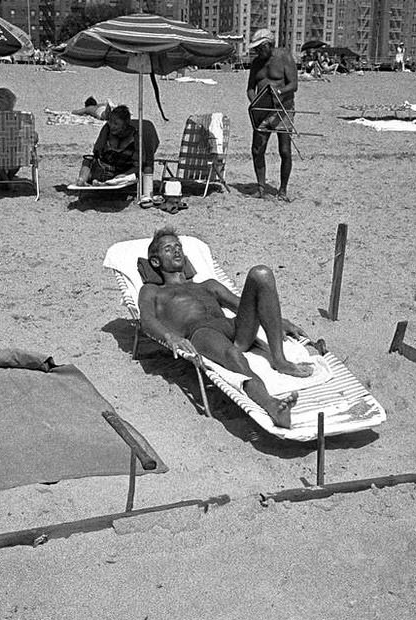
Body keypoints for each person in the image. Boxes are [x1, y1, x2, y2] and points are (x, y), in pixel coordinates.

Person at [138, 227, 314, 428]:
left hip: (233, 327)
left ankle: (280, 360)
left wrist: (280, 321)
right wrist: (171, 337)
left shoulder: (208, 285)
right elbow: (147, 320)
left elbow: (244, 305)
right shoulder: (152, 291)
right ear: (155, 261)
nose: (176, 251)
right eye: (168, 249)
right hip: (201, 332)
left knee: (261, 273)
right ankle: (272, 405)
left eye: (178, 246)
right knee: (232, 355)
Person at [246, 28, 298, 201]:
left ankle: (282, 190)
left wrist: (279, 92)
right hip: (262, 111)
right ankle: (261, 187)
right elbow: (250, 89)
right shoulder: (256, 64)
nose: (257, 52)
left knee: (284, 151)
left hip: (283, 110)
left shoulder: (284, 57)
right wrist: (255, 103)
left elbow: (293, 85)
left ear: (268, 45)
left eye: (259, 49)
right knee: (257, 150)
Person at [75, 104, 139, 185]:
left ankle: (99, 181)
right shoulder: (107, 130)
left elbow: (138, 164)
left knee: (135, 169)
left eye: (116, 124)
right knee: (88, 160)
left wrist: (125, 175)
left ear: (125, 125)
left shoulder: (135, 136)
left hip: (122, 171)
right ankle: (82, 180)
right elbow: (97, 151)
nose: (112, 126)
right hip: (103, 168)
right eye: (110, 122)